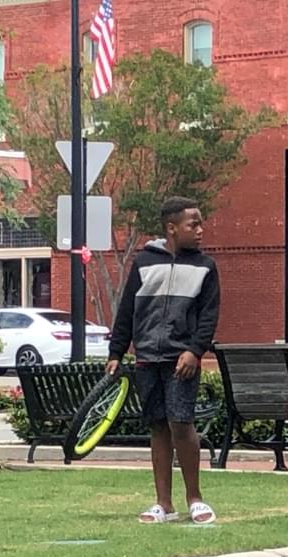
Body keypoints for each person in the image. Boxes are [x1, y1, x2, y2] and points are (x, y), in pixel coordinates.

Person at [107, 196, 220, 525]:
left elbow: (209, 316)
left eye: (200, 223)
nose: (200, 230)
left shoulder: (205, 267)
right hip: (147, 358)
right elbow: (127, 309)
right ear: (172, 228)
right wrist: (117, 351)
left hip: (181, 359)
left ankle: (195, 499)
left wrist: (195, 350)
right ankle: (164, 504)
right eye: (192, 224)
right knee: (158, 426)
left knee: (182, 424)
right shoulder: (144, 262)